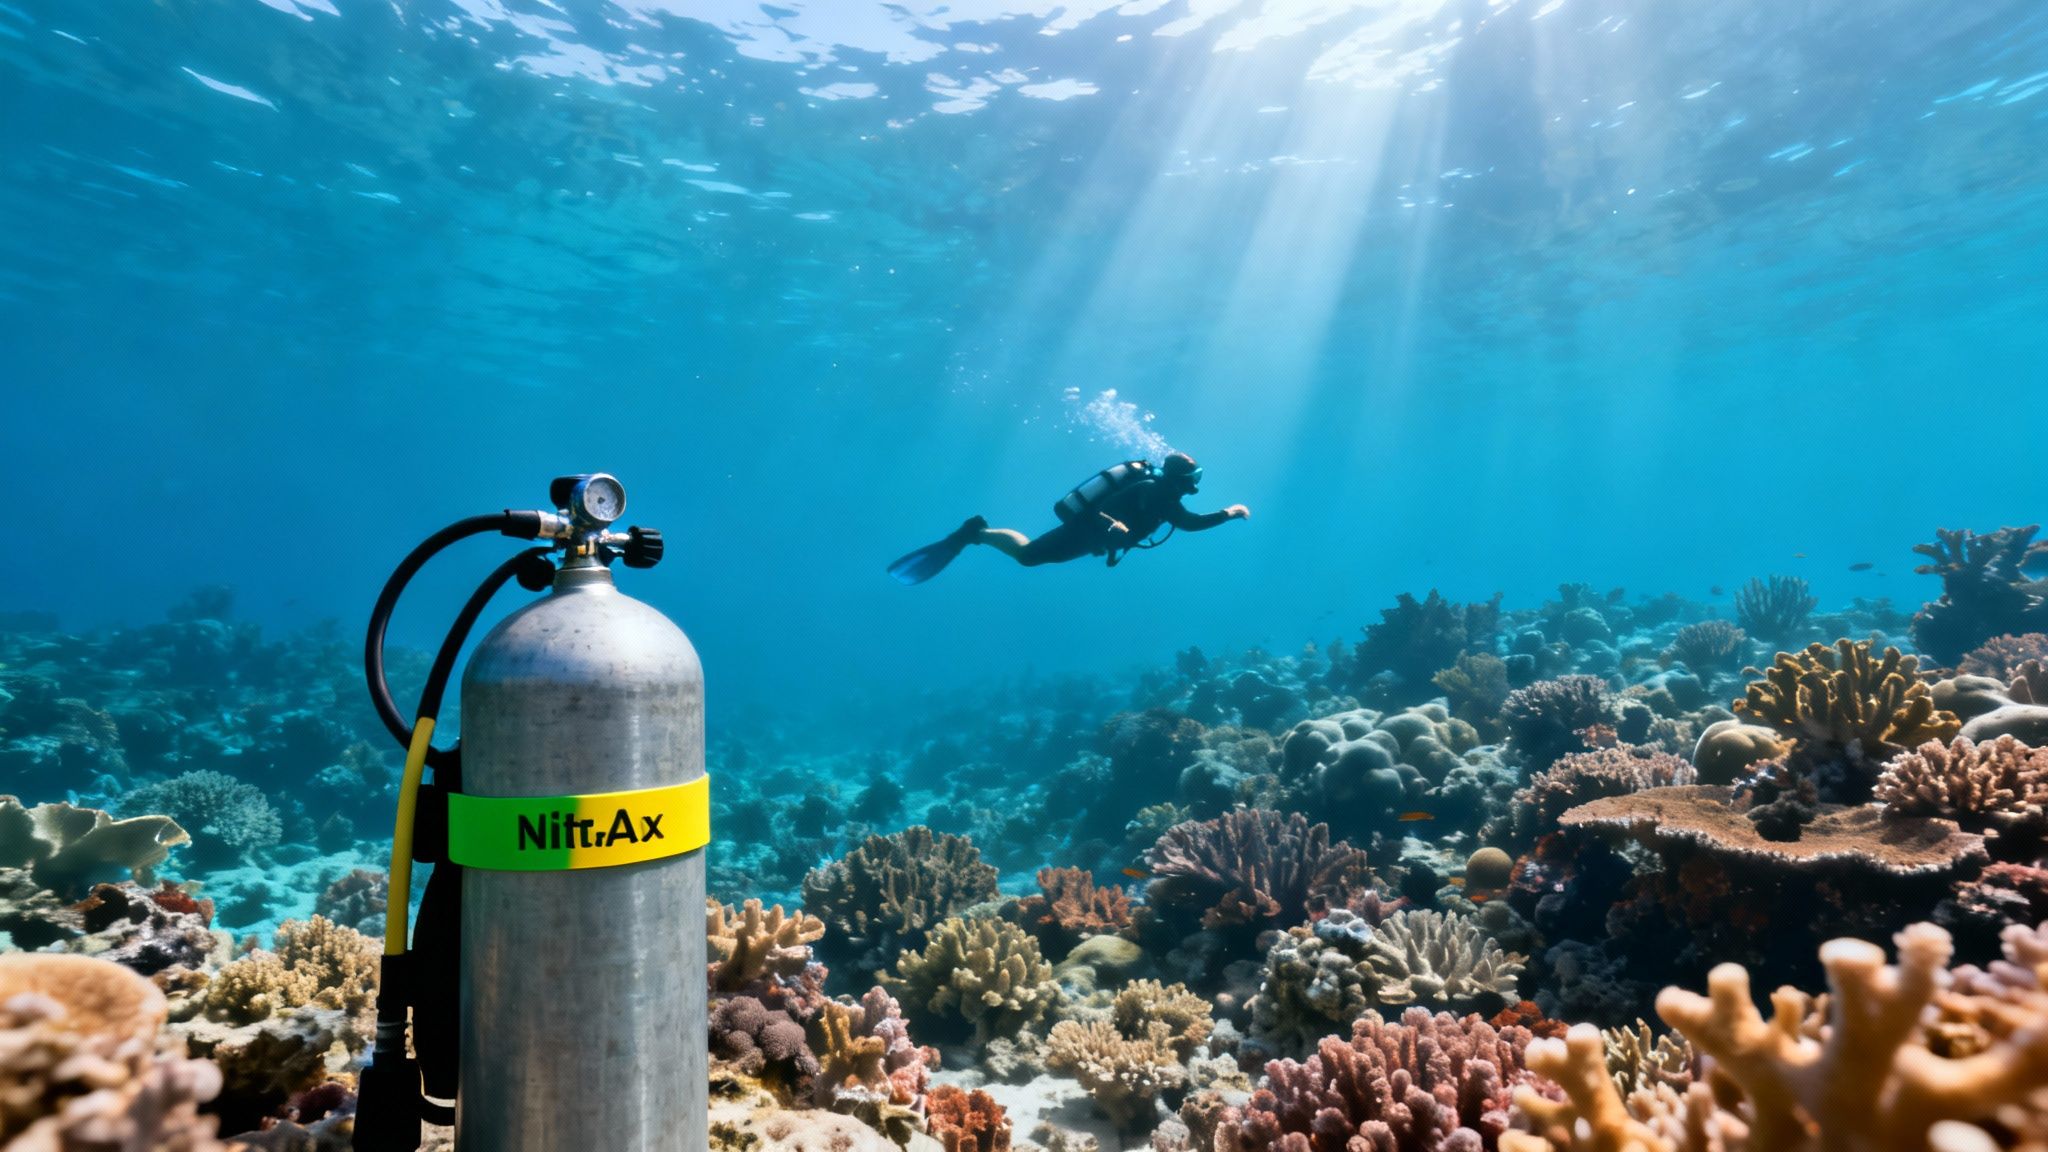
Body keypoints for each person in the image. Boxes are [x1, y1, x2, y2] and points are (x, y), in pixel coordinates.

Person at [888, 452, 1249, 585]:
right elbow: (1188, 523)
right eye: (1194, 479)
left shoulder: (1165, 493)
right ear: (1179, 478)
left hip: (1094, 539)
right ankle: (975, 532)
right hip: (1085, 530)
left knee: (1029, 558)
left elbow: (1186, 521)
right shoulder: (1156, 491)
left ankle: (977, 532)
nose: (1195, 485)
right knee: (1028, 557)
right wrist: (1230, 513)